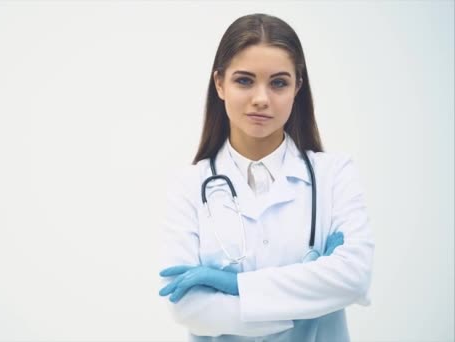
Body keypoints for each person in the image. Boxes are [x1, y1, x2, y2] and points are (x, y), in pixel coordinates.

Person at [158, 13, 374, 341]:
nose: (261, 98)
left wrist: (236, 288)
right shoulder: (188, 186)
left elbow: (355, 277)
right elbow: (186, 307)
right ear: (220, 84)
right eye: (244, 80)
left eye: (278, 83)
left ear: (297, 87)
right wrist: (309, 299)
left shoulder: (333, 175)